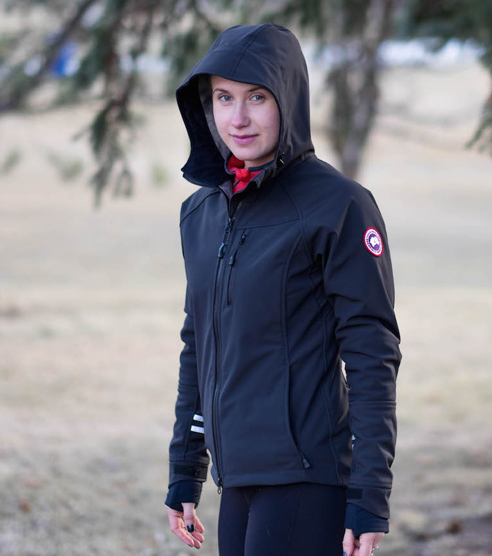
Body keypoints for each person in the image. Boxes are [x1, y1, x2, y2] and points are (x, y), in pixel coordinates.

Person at [164, 23, 401, 556]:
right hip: (237, 477)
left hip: (307, 477)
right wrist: (185, 468)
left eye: (257, 97)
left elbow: (372, 354)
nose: (238, 118)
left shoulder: (339, 206)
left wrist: (370, 494)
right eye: (223, 98)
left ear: (288, 100)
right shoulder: (201, 212)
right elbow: (200, 344)